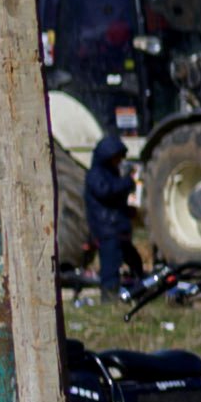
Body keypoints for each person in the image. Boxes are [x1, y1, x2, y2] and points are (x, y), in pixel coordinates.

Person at [84, 108, 142, 302]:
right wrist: (128, 183)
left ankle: (139, 290)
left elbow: (114, 199)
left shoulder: (111, 173)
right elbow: (106, 192)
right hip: (107, 230)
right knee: (109, 268)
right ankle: (109, 300)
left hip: (117, 229)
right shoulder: (96, 175)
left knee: (134, 262)